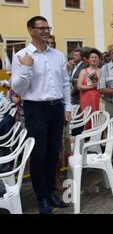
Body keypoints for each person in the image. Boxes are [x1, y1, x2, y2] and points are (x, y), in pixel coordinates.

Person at [11, 16, 71, 214]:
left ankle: (52, 193)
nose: (46, 31)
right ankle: (42, 198)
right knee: (39, 155)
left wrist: (67, 108)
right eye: (41, 28)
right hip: (35, 109)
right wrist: (27, 67)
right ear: (31, 30)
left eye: (47, 27)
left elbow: (65, 84)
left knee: (53, 154)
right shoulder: (22, 55)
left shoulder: (58, 55)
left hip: (56, 108)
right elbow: (17, 88)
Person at [77, 48, 102, 130]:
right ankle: (87, 139)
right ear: (88, 59)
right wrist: (91, 87)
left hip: (99, 97)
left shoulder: (102, 71)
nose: (94, 59)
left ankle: (98, 138)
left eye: (96, 57)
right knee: (88, 118)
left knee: (99, 117)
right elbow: (79, 86)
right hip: (87, 97)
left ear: (99, 59)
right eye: (92, 57)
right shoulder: (84, 71)